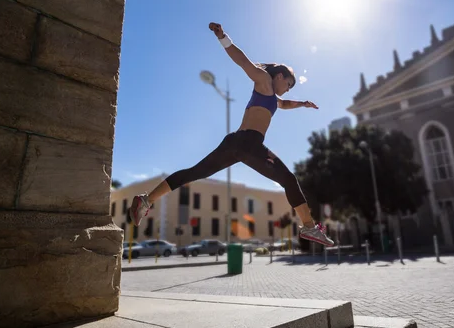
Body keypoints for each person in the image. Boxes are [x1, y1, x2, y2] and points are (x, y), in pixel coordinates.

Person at [128, 22, 334, 247]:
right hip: (250, 143)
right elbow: (243, 61)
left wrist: (302, 104)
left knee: (193, 172)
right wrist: (223, 37)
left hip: (235, 143)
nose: (289, 88)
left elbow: (284, 104)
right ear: (280, 75)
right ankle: (309, 227)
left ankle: (146, 200)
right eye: (289, 83)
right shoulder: (264, 80)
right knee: (289, 179)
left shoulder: (272, 97)